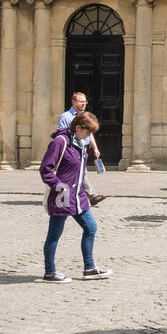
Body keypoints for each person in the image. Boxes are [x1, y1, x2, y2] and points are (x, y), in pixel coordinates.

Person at [39, 111, 111, 282]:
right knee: (54, 233)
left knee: (91, 227)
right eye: (87, 131)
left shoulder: (79, 142)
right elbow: (45, 169)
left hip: (78, 195)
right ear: (78, 127)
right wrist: (58, 186)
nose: (89, 135)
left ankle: (90, 268)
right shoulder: (60, 141)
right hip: (62, 194)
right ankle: (50, 272)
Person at [57, 92, 105, 206]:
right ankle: (92, 196)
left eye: (85, 101)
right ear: (73, 102)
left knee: (79, 172)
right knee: (81, 172)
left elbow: (90, 133)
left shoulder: (85, 116)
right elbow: (61, 133)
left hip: (84, 148)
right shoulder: (65, 116)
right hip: (72, 148)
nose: (84, 104)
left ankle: (74, 196)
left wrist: (95, 148)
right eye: (81, 101)